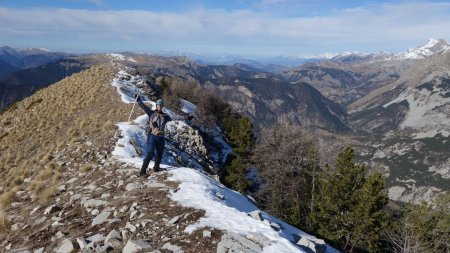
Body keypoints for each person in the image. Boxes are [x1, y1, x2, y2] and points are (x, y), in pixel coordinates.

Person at [136, 95, 172, 177]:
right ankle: (142, 172)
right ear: (156, 106)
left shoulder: (166, 116)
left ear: (162, 106)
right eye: (158, 105)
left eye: (161, 105)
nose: (159, 107)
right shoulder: (151, 113)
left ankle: (156, 168)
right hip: (152, 136)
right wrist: (139, 100)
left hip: (161, 137)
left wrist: (187, 118)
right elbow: (144, 107)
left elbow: (176, 119)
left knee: (159, 154)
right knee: (150, 153)